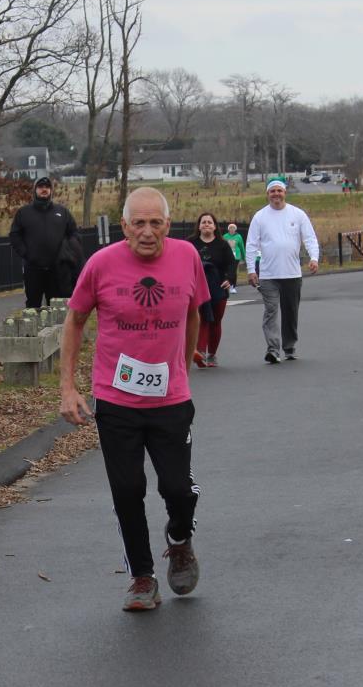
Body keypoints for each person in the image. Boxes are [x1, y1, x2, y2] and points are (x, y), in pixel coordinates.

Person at [59, 187, 210, 612]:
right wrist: (68, 387)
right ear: (124, 226)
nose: (147, 232)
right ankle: (142, 577)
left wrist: (182, 368)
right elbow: (75, 321)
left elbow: (193, 313)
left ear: (168, 224)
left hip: (171, 400)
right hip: (117, 401)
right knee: (127, 490)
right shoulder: (101, 264)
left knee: (179, 489)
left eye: (155, 223)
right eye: (138, 223)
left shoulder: (187, 256)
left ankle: (179, 540)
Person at [245, 176, 319, 363]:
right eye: (272, 191)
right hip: (268, 274)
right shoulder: (260, 217)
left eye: (279, 191)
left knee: (290, 312)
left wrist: (314, 258)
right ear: (268, 194)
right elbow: (251, 245)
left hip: (292, 273)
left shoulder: (297, 214)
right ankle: (273, 349)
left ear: (285, 192)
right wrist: (251, 270)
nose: (276, 194)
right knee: (271, 311)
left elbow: (309, 238)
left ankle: (289, 347)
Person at [9, 176, 82, 308]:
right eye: (41, 187)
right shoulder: (24, 213)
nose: (44, 189)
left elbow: (74, 233)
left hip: (57, 270)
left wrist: (67, 251)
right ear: (35, 190)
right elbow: (14, 235)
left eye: (47, 187)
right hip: (33, 269)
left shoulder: (62, 212)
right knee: (33, 306)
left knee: (56, 308)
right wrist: (25, 253)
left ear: (51, 190)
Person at [191, 212, 235, 367]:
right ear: (199, 226)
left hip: (218, 288)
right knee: (201, 319)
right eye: (203, 222)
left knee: (215, 321)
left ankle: (212, 354)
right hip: (197, 288)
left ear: (215, 226)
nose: (206, 225)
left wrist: (229, 279)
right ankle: (200, 352)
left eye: (209, 222)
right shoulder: (190, 243)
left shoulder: (222, 245)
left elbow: (231, 264)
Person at [223, 220, 245, 293]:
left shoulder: (238, 236)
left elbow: (241, 247)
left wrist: (244, 257)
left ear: (235, 229)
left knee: (233, 271)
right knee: (227, 271)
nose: (232, 229)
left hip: (236, 257)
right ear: (228, 229)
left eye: (233, 228)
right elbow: (222, 246)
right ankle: (227, 285)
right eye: (230, 228)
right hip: (227, 257)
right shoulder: (225, 236)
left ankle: (233, 286)